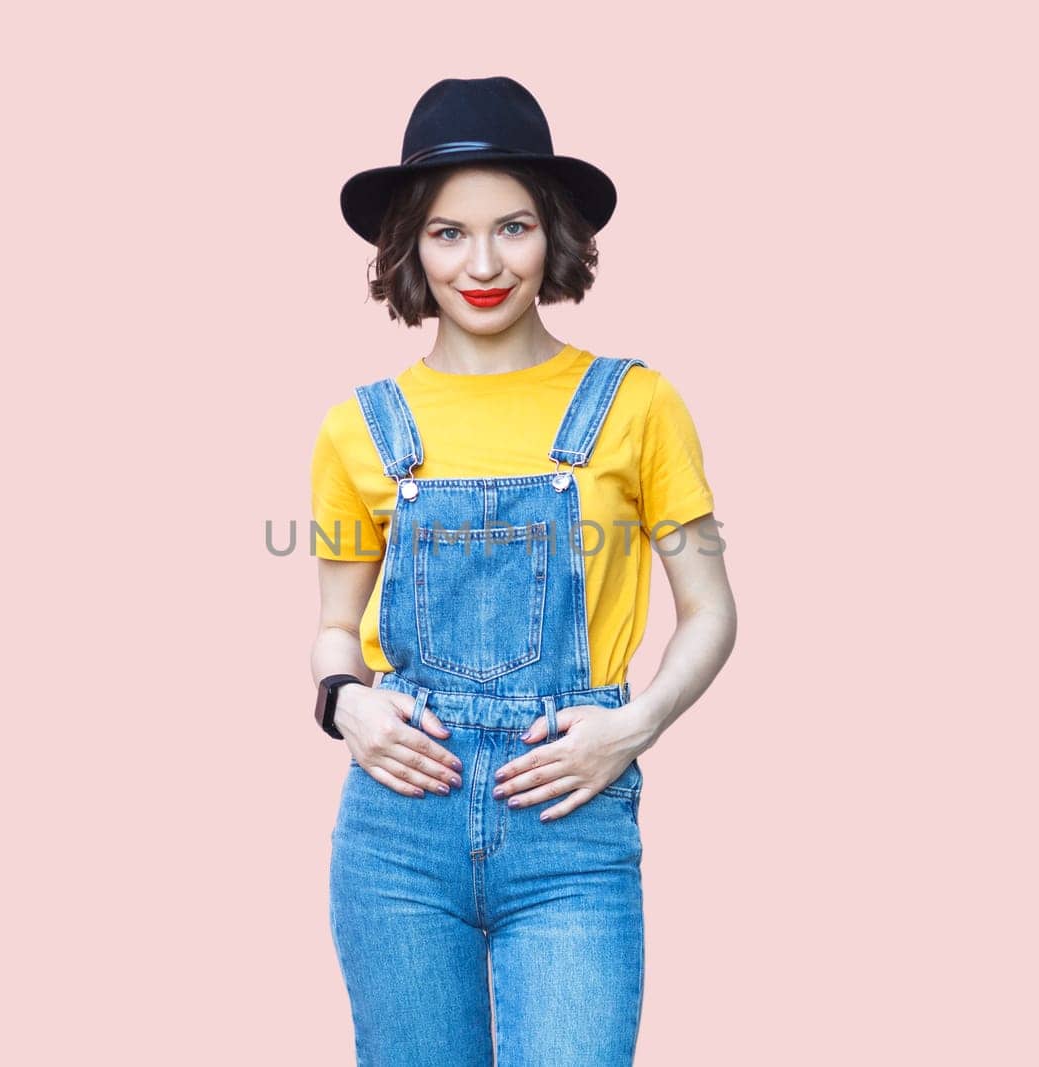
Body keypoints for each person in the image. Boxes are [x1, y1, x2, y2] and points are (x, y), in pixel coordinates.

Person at [308, 76, 738, 1067]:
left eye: (512, 227)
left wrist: (635, 725)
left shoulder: (637, 404)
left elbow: (711, 607)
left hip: (570, 824)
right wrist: (346, 703)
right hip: (396, 834)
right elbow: (335, 626)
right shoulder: (358, 427)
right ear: (410, 249)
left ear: (553, 236)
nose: (485, 263)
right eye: (449, 233)